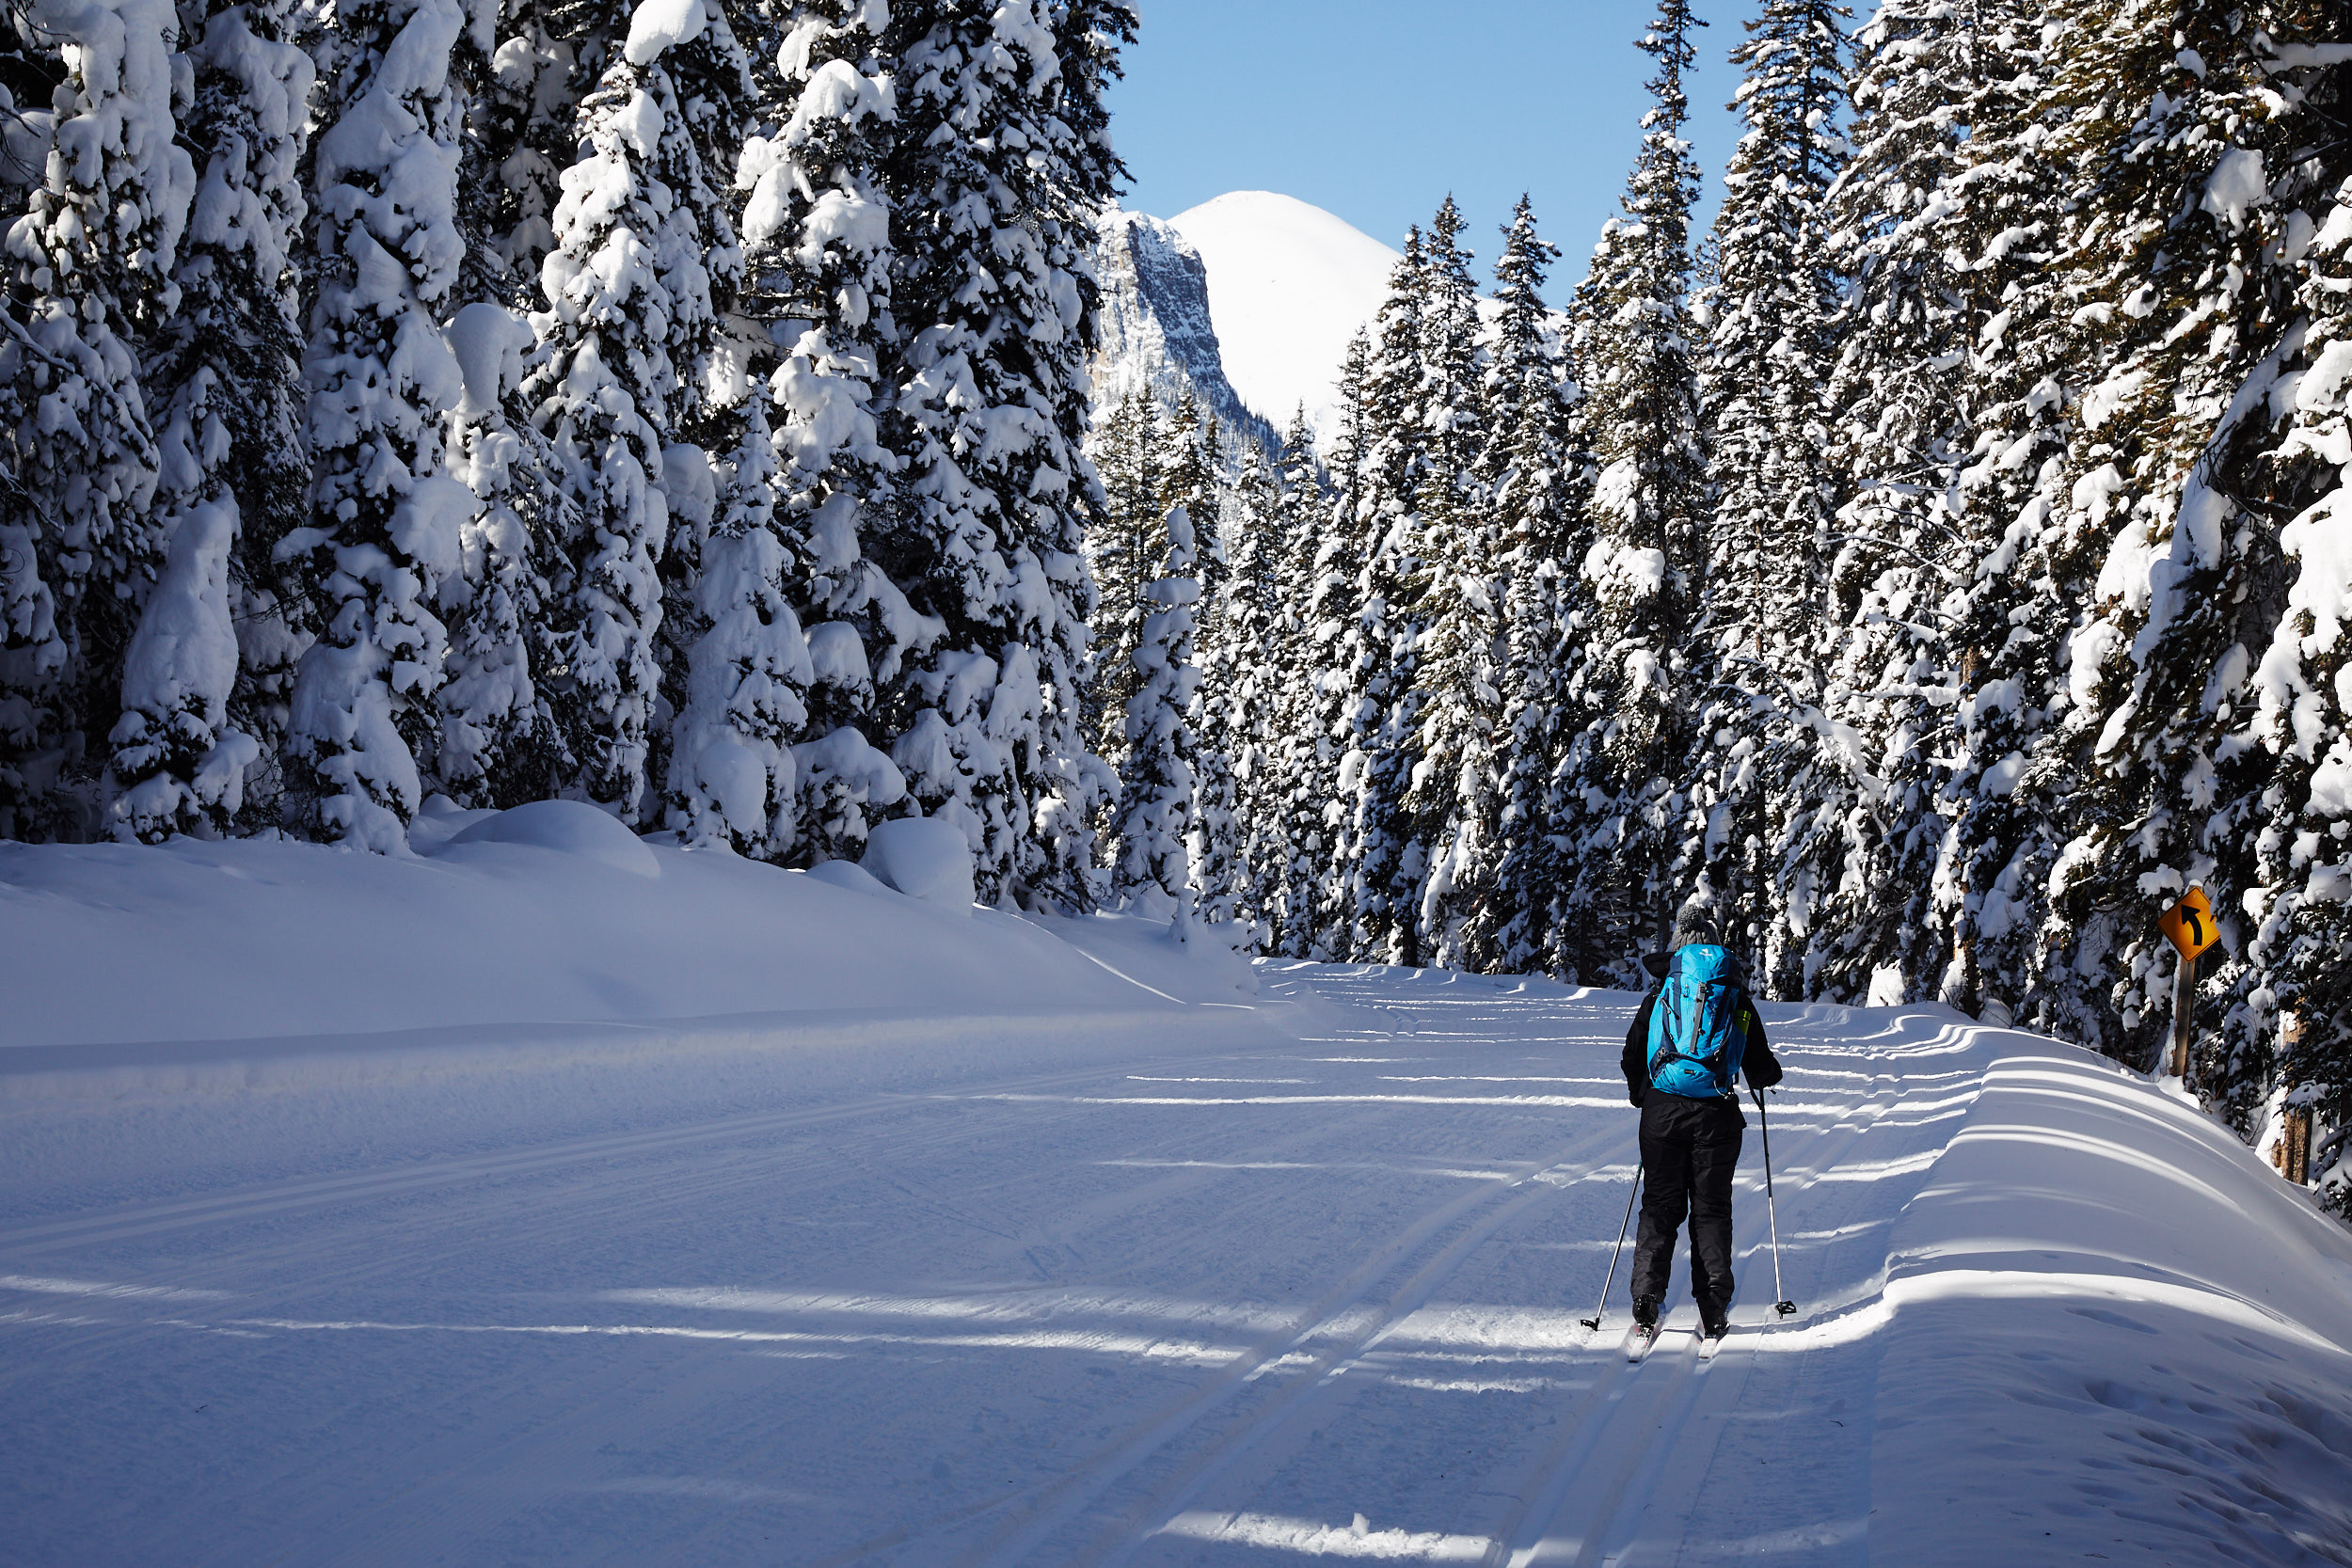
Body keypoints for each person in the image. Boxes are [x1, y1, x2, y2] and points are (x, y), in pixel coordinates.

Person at [1618, 905, 1783, 1347]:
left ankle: (1647, 1300)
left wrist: (1645, 1096)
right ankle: (1712, 1311)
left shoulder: (1660, 996)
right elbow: (1760, 1067)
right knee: (1710, 1210)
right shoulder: (1735, 998)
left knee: (1659, 1207)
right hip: (1716, 1117)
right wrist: (1767, 1076)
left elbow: (1632, 1057)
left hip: (1661, 1115)